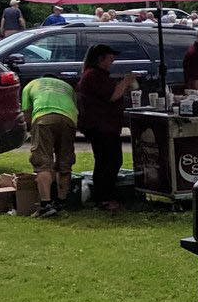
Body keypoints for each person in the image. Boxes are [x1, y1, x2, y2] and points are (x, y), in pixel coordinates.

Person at [75, 43, 132, 211]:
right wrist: (126, 81)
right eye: (110, 57)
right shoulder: (93, 76)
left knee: (107, 160)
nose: (112, 60)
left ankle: (104, 196)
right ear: (100, 59)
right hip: (101, 126)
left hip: (105, 125)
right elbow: (112, 95)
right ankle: (104, 197)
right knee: (109, 160)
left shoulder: (98, 75)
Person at [20, 69, 78, 218]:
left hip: (44, 117)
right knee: (64, 162)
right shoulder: (67, 87)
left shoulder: (31, 85)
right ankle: (61, 201)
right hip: (69, 120)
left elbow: (27, 114)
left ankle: (46, 205)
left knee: (43, 161)